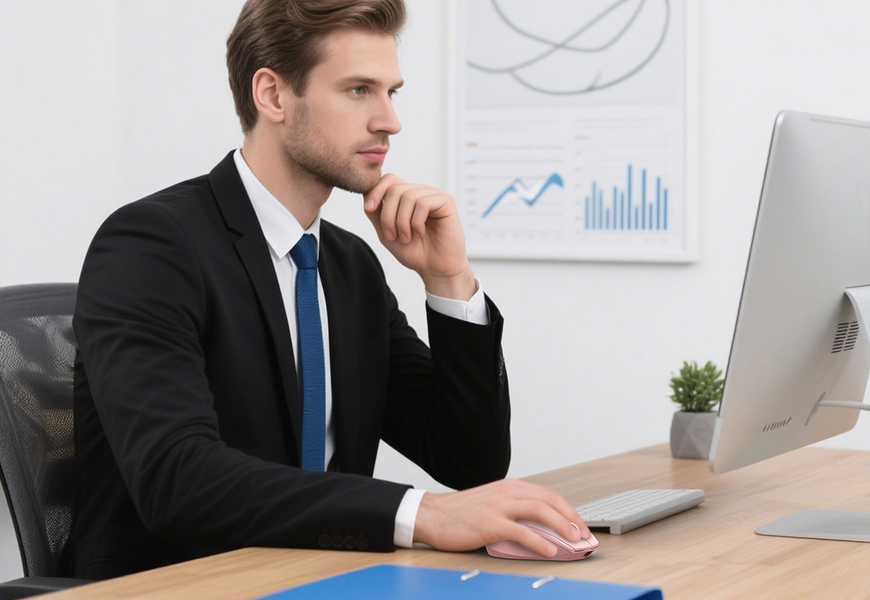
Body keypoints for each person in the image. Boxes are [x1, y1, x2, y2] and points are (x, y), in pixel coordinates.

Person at [62, 0, 588, 580]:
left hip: (326, 579)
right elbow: (178, 480)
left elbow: (470, 461)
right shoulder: (152, 245)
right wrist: (422, 515)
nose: (390, 121)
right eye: (359, 90)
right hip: (183, 585)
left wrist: (448, 280)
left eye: (392, 92)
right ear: (274, 95)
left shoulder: (349, 264)